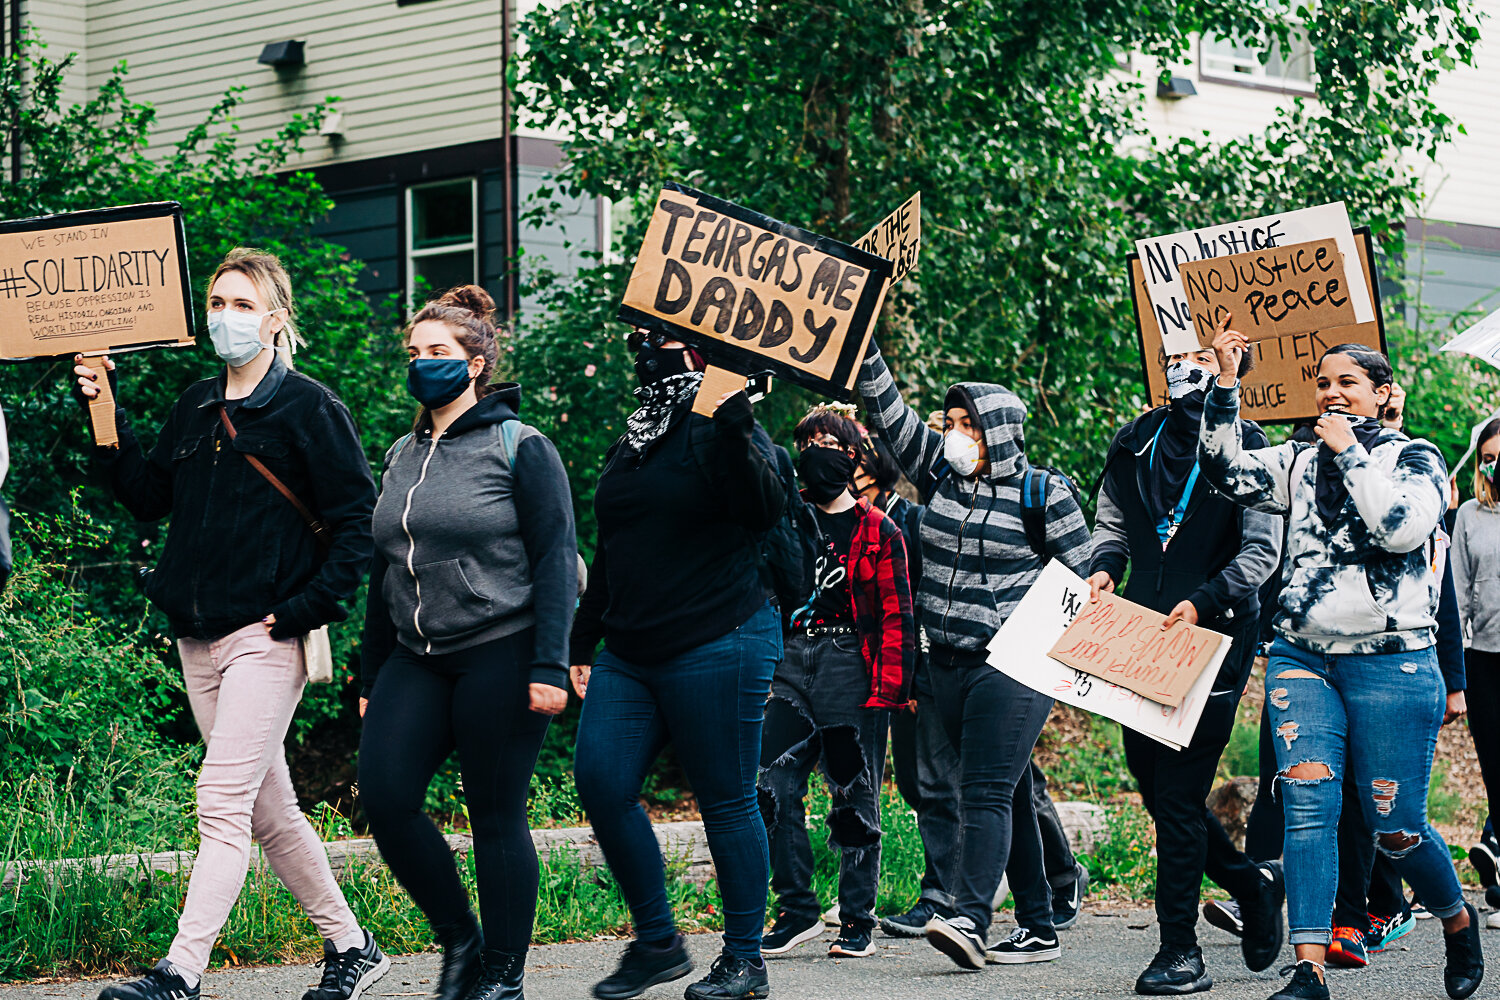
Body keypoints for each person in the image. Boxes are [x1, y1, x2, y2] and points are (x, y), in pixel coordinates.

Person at [75, 249, 387, 1000]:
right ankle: (352, 945)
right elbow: (148, 496)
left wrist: (304, 611)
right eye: (216, 303)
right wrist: (102, 404)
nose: (225, 317)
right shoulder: (194, 405)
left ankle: (179, 973)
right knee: (271, 809)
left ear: (277, 319)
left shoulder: (310, 407)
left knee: (221, 802)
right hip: (197, 634)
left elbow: (358, 526)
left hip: (267, 634)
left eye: (243, 305)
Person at [1198, 324, 1483, 1000]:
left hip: (1394, 664)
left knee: (1395, 828)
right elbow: (1222, 472)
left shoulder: (1417, 457)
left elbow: (1401, 530)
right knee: (1305, 807)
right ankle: (1310, 967)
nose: (1329, 393)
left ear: (1382, 394)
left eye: (1346, 383)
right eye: (1322, 383)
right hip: (1303, 656)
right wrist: (1225, 386)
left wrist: (1351, 450)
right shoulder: (1297, 460)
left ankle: (1456, 917)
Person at [356, 286, 577, 1000]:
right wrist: (368, 676)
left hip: (503, 649)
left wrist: (551, 661)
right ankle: (461, 939)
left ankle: (504, 975)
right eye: (415, 354)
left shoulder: (520, 445)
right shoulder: (400, 451)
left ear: (476, 362)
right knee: (386, 797)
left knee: (493, 811)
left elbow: (554, 556)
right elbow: (385, 565)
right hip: (415, 655)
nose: (424, 364)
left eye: (440, 353)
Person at [858, 339, 1093, 968]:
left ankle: (967, 916)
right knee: (1010, 793)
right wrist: (864, 332)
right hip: (946, 663)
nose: (956, 435)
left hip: (1015, 665)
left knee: (983, 792)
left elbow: (1090, 578)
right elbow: (886, 411)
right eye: (951, 423)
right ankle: (1039, 925)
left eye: (970, 425)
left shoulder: (1044, 493)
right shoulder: (938, 473)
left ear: (1001, 431)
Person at [570, 328, 785, 1000]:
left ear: (697, 352)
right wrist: (582, 640)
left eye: (659, 338)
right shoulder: (636, 436)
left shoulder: (725, 427)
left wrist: (735, 419)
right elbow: (614, 545)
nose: (643, 348)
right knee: (602, 782)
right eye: (640, 336)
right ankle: (659, 943)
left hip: (718, 636)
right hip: (630, 651)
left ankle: (745, 961)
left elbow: (762, 510)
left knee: (725, 799)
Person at [1087, 340, 1286, 994]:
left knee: (1176, 794)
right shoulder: (1135, 439)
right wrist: (1103, 569)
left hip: (1212, 637)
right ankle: (1250, 883)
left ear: (1234, 365)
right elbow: (1111, 523)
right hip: (1138, 633)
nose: (1189, 364)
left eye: (1208, 353)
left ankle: (1180, 952)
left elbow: (1261, 556)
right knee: (1150, 783)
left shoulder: (1251, 448)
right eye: (1182, 351)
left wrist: (1204, 602)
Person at [759, 406, 914, 959]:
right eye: (807, 442)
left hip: (851, 660)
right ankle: (796, 908)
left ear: (853, 456)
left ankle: (856, 918)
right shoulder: (785, 517)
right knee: (770, 784)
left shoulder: (880, 529)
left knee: (854, 790)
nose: (816, 450)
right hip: (788, 658)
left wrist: (891, 688)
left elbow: (897, 613)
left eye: (829, 441)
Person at [1454, 417, 1500, 925]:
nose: (1494, 464)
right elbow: (1459, 591)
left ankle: (1494, 844)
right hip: (1484, 657)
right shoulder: (1469, 514)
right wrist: (1455, 673)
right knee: (1495, 766)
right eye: (1488, 456)